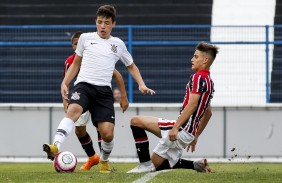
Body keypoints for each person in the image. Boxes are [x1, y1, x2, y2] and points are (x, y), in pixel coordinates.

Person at [43, 4, 155, 174]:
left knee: (107, 134)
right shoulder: (85, 39)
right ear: (95, 22)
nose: (103, 26)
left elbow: (131, 66)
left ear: (113, 24)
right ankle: (55, 145)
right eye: (100, 22)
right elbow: (76, 63)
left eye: (107, 23)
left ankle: (104, 161)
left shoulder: (118, 44)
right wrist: (64, 83)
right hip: (84, 86)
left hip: (104, 92)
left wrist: (141, 84)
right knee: (72, 111)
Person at [127, 42, 219, 173]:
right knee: (156, 164)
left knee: (135, 121)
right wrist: (196, 136)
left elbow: (192, 105)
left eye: (195, 57)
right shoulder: (209, 81)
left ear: (205, 60)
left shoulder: (198, 77)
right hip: (189, 133)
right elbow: (208, 113)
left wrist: (176, 127)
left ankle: (144, 165)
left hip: (182, 129)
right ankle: (195, 165)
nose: (192, 59)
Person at [60, 31, 129, 171]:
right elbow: (65, 82)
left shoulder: (97, 55)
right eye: (75, 43)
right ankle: (92, 157)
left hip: (99, 95)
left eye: (78, 42)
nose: (77, 45)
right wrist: (65, 101)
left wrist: (123, 96)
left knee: (102, 129)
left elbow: (118, 75)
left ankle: (104, 160)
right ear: (74, 46)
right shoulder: (69, 62)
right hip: (82, 96)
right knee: (79, 131)